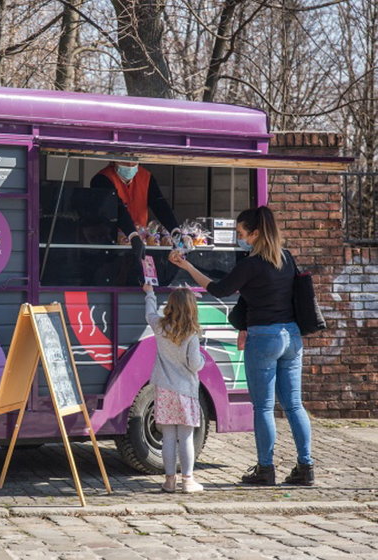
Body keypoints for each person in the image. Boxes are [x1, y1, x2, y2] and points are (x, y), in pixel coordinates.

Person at [168, 206, 314, 486]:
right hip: (292, 337)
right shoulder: (286, 258)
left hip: (264, 339)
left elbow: (219, 289)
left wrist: (187, 266)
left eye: (241, 233)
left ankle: (265, 469)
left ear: (256, 233)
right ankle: (306, 467)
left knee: (263, 407)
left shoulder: (251, 264)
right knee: (294, 404)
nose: (239, 237)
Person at [143, 283, 205, 493]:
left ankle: (169, 481)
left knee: (168, 436)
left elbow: (149, 313)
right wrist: (203, 360)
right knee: (185, 436)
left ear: (170, 306)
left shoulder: (160, 327)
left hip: (165, 389)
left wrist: (149, 293)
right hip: (186, 391)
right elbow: (195, 364)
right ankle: (188, 481)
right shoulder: (191, 334)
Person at [90, 161, 180, 263]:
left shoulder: (145, 176)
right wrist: (132, 235)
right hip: (112, 242)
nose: (130, 165)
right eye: (125, 162)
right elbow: (117, 207)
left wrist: (175, 230)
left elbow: (159, 203)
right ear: (115, 160)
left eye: (134, 163)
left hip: (140, 240)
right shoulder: (102, 179)